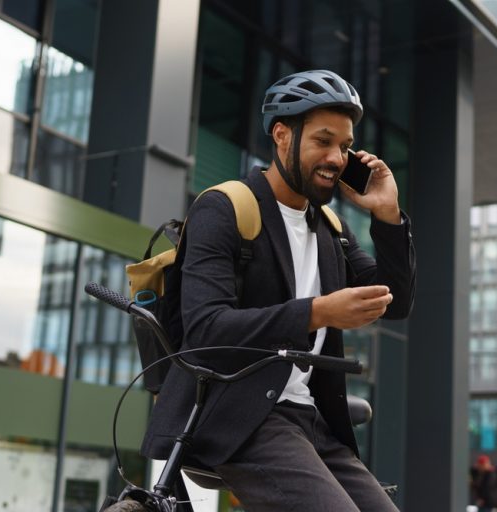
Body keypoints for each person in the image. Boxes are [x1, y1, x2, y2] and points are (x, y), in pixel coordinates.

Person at [140, 69, 416, 511]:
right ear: (282, 135)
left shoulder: (330, 228)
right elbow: (206, 329)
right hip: (243, 415)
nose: (336, 157)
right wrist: (316, 312)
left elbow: (395, 303)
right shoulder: (223, 207)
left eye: (344, 146)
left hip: (312, 421)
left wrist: (387, 215)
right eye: (323, 141)